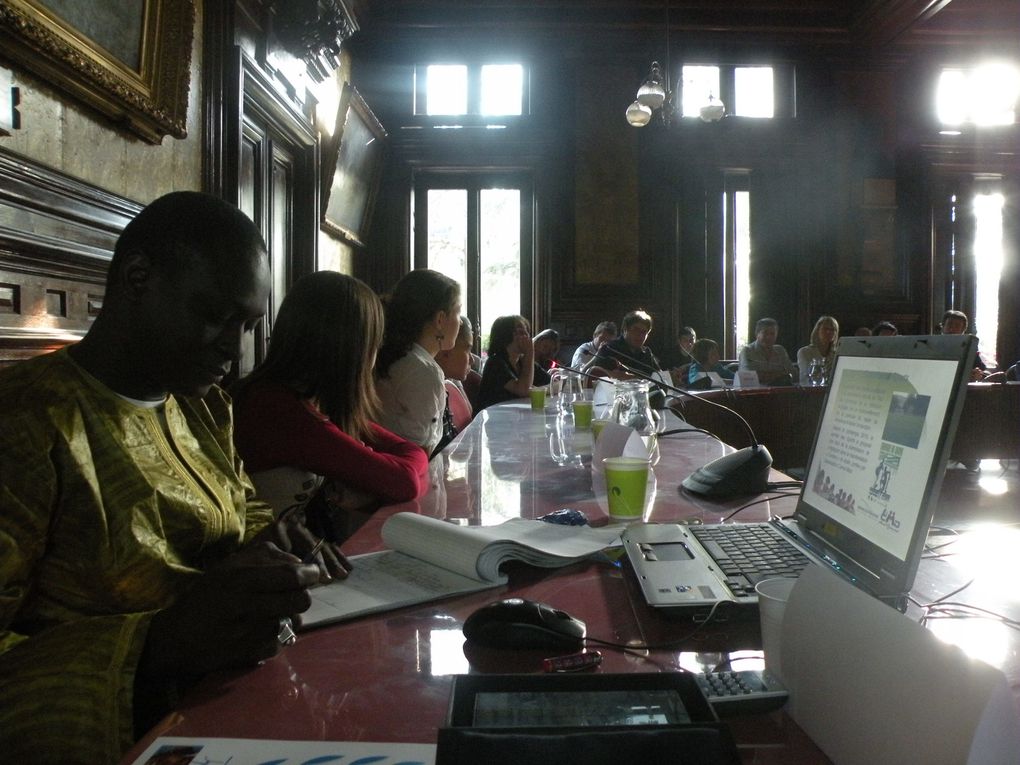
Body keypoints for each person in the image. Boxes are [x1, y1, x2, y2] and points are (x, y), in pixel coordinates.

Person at [0, 192, 346, 765]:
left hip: (233, 702)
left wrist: (276, 538)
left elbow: (241, 505)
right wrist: (155, 645)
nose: (234, 350)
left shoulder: (201, 406)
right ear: (139, 277)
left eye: (247, 325)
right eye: (215, 314)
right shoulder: (27, 421)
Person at [231, 271, 429, 538]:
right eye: (373, 344)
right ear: (350, 348)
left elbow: (413, 452)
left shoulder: (310, 400)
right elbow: (404, 481)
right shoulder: (276, 409)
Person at [374, 269, 462, 458]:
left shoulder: (397, 356)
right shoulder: (422, 371)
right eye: (458, 312)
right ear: (440, 319)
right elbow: (421, 454)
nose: (460, 322)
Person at [477, 315, 544, 410]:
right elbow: (523, 389)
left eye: (527, 331)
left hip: (513, 416)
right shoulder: (495, 363)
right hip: (493, 419)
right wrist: (530, 353)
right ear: (506, 335)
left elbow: (557, 383)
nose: (527, 336)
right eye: (521, 332)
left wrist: (539, 390)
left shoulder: (521, 362)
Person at [592, 309, 662, 379]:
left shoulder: (647, 353)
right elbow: (595, 376)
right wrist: (612, 375)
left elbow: (660, 377)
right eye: (636, 330)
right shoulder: (609, 349)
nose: (639, 335)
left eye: (644, 332)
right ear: (625, 329)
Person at [437, 315, 477, 431]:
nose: (472, 360)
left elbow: (468, 415)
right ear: (446, 350)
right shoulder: (427, 384)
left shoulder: (451, 380)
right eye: (468, 349)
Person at [738, 317, 796, 386]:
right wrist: (781, 374)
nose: (769, 337)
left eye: (772, 334)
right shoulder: (747, 351)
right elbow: (749, 378)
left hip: (779, 392)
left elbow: (794, 375)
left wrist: (764, 374)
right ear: (757, 334)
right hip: (754, 393)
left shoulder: (780, 350)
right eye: (765, 333)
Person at [939, 309, 988, 380]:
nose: (952, 329)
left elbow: (983, 370)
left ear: (963, 331)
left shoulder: (969, 348)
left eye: (957, 326)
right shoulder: (930, 346)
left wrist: (977, 374)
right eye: (949, 324)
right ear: (943, 327)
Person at [797, 315, 840, 385]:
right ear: (817, 331)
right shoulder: (805, 352)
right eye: (825, 329)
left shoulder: (836, 354)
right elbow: (807, 377)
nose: (829, 332)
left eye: (832, 329)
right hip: (810, 391)